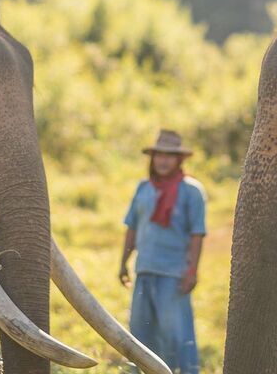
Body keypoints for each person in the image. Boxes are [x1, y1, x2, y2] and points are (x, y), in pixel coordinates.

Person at [119, 129, 207, 374]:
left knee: (176, 333)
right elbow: (132, 227)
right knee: (140, 331)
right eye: (159, 155)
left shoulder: (192, 191)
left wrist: (192, 271)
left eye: (169, 156)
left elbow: (197, 234)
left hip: (174, 274)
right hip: (144, 269)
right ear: (153, 158)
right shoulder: (143, 188)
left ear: (179, 160)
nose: (163, 160)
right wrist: (123, 262)